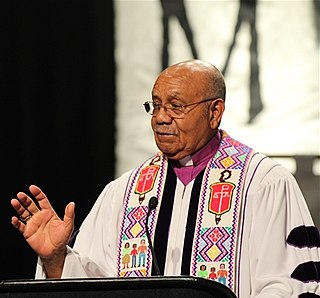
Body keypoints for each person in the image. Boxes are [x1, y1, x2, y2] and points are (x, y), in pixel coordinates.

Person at [11, 59, 319, 297]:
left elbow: (288, 285)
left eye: (176, 106)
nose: (160, 117)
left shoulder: (263, 184)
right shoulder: (125, 192)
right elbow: (95, 288)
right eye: (155, 105)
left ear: (215, 112)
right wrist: (56, 260)